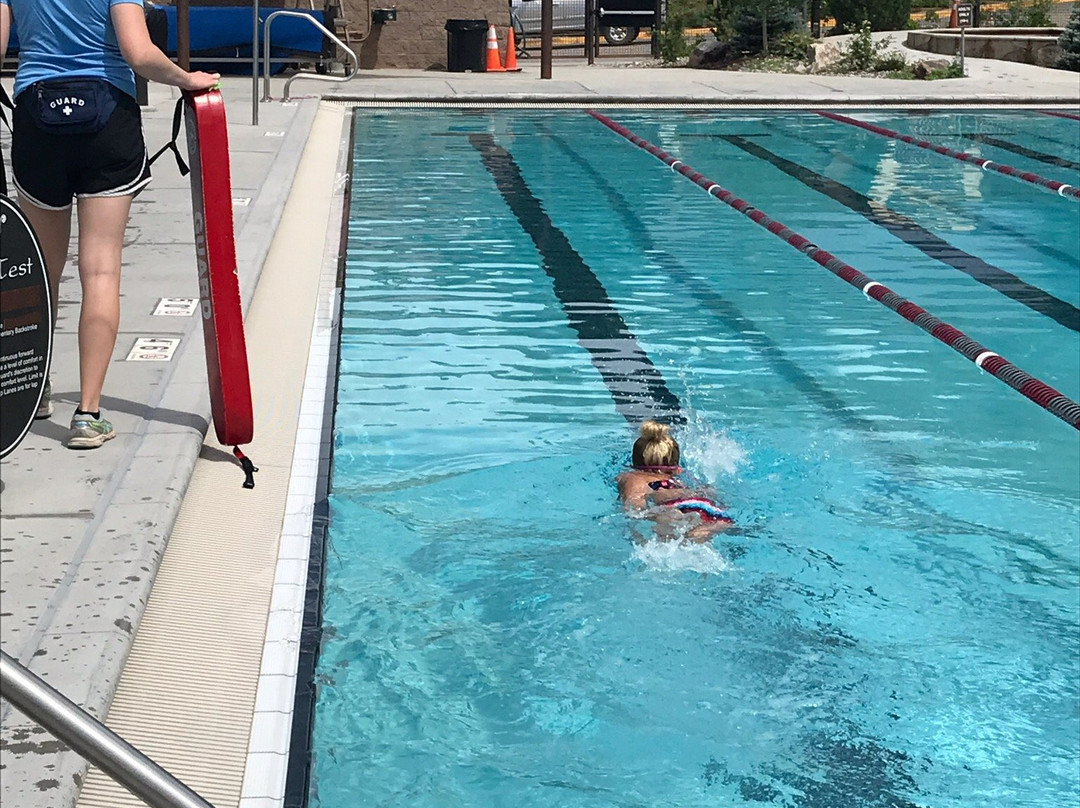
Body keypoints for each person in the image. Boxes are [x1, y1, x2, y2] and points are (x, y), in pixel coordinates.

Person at [0, 0, 219, 448]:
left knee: (41, 270)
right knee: (100, 269)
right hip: (106, 118)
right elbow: (138, 54)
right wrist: (186, 78)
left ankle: (32, 389)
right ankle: (88, 413)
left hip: (37, 120)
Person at [616, 420, 733, 543]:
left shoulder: (632, 477)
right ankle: (701, 532)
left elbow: (634, 507)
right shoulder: (677, 482)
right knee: (701, 530)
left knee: (668, 526)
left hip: (673, 508)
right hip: (708, 508)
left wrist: (645, 515)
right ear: (676, 468)